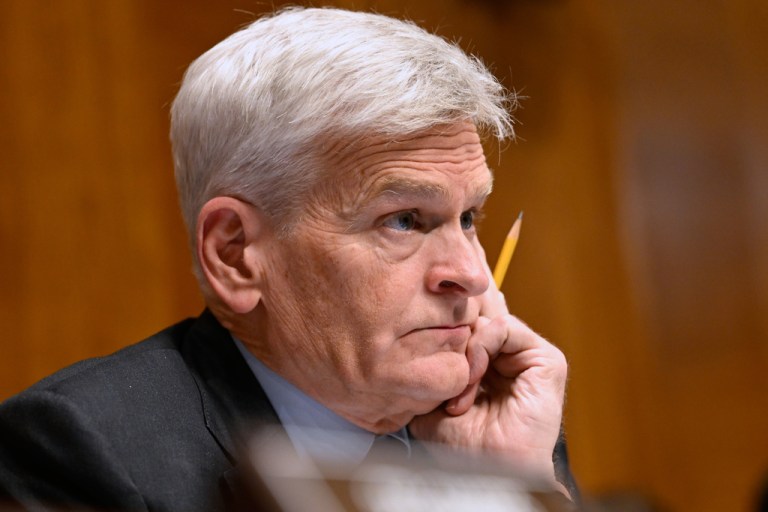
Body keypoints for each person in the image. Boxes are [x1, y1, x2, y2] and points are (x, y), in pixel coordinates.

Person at [0, 7, 577, 511]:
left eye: (469, 218)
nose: (473, 275)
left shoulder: (500, 433)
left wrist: (510, 491)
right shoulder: (89, 448)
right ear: (235, 255)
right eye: (403, 220)